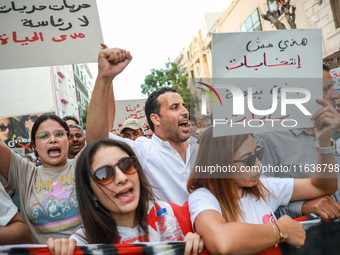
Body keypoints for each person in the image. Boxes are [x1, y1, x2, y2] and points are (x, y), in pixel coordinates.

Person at [187, 105, 338, 255]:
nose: (258, 165)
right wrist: (280, 230)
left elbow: (322, 187)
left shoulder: (262, 187)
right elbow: (222, 241)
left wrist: (324, 144)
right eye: (248, 160)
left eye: (258, 153)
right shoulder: (203, 197)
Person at [46, 139, 204, 255]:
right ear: (91, 192)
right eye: (105, 174)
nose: (121, 178)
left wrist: (201, 244)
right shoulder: (81, 244)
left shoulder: (176, 215)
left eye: (127, 165)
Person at [86, 46, 198, 205]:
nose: (185, 112)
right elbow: (96, 140)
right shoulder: (144, 151)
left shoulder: (202, 150)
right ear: (156, 119)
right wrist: (105, 78)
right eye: (175, 107)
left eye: (184, 106)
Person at [254, 64, 340, 221]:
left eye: (332, 87)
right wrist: (303, 208)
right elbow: (256, 204)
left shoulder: (330, 129)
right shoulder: (266, 139)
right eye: (326, 89)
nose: (334, 95)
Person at [0, 114, 82, 244]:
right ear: (34, 145)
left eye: (59, 134)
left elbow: (99, 132)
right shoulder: (25, 174)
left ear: (68, 139)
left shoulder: (81, 166)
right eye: (44, 136)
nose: (53, 140)